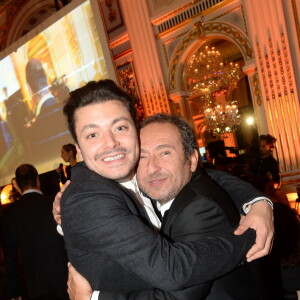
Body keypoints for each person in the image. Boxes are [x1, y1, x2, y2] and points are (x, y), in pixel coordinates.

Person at [54, 80, 273, 298]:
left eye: (120, 128)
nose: (110, 143)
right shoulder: (89, 199)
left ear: (135, 131)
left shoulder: (131, 172)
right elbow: (172, 271)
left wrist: (258, 202)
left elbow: (194, 174)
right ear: (79, 150)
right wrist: (250, 237)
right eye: (92, 134)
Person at [2, 164, 69, 300]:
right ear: (38, 180)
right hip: (67, 279)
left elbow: (11, 257)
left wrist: (14, 292)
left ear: (17, 185)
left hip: (36, 286)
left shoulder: (9, 214)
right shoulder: (55, 202)